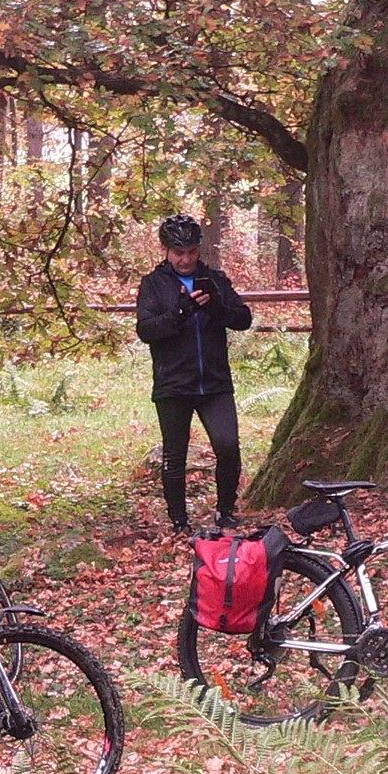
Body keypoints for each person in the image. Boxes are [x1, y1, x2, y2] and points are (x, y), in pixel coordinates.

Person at [134, 213, 255, 534]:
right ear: (165, 251)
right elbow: (146, 330)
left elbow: (243, 318)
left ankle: (225, 511)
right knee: (175, 454)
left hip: (214, 382)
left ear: (199, 249)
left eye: (191, 252)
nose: (185, 260)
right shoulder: (153, 284)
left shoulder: (214, 280)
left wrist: (217, 309)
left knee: (228, 445)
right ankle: (179, 521)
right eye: (178, 253)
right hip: (173, 383)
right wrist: (179, 312)